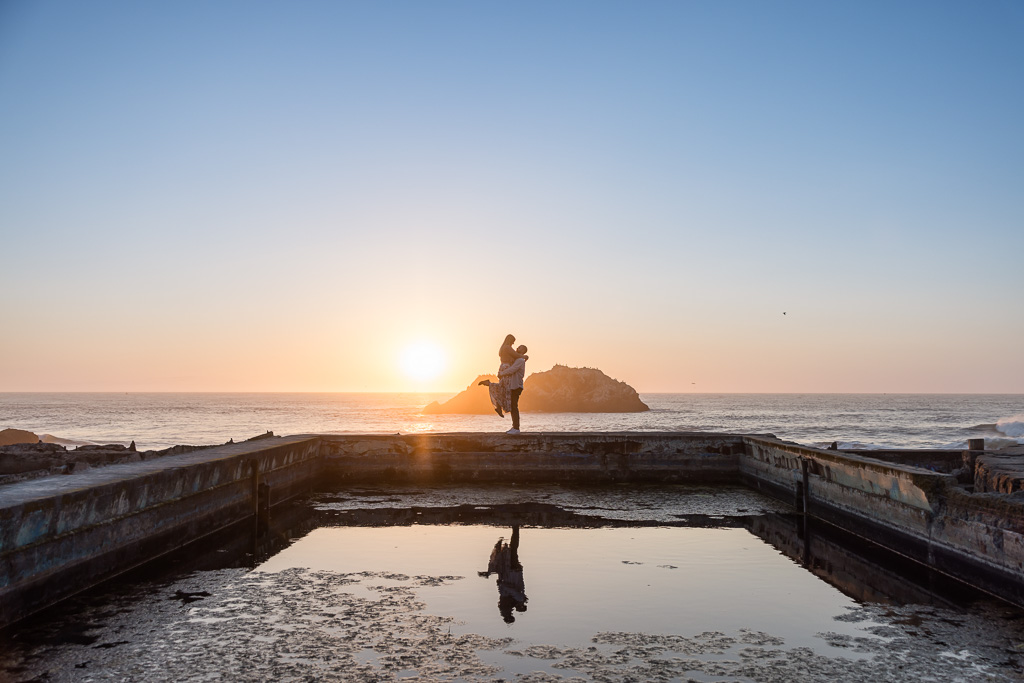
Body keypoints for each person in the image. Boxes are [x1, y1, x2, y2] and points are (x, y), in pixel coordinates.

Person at [477, 525, 527, 623]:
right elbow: (511, 590)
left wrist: (501, 584)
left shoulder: (505, 597)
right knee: (514, 550)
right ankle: (515, 528)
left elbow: (501, 588)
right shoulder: (519, 598)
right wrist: (502, 585)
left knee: (511, 551)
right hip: (514, 572)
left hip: (508, 572)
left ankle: (515, 529)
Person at [480, 334, 528, 419]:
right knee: (505, 388)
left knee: (503, 387)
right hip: (506, 368)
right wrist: (525, 356)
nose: (513, 344)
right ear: (509, 340)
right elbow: (517, 356)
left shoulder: (504, 348)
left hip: (504, 368)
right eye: (513, 341)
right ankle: (498, 405)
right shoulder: (507, 348)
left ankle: (498, 406)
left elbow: (516, 356)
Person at [498, 345, 527, 434]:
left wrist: (502, 373)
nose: (517, 348)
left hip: (516, 386)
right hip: (514, 386)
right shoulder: (517, 359)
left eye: (520, 348)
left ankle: (516, 428)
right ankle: (514, 427)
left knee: (514, 407)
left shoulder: (520, 360)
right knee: (513, 406)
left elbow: (512, 370)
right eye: (518, 347)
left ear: (523, 351)